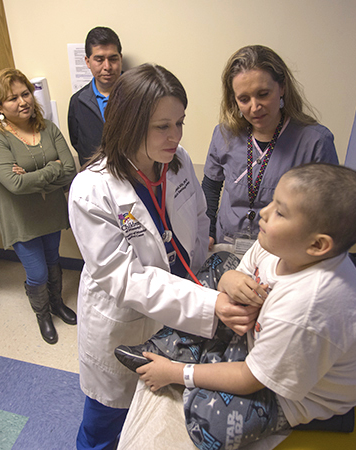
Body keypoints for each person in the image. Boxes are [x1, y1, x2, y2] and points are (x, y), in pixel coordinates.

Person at [117, 163, 356, 450]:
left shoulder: (308, 307)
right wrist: (230, 281)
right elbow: (239, 269)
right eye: (272, 203)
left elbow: (250, 379)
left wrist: (177, 374)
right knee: (218, 264)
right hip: (268, 331)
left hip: (300, 394)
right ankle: (208, 354)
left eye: (279, 212)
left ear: (317, 246)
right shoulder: (282, 244)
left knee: (208, 423)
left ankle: (197, 357)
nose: (263, 213)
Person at [68, 63, 238, 450]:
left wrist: (205, 271)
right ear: (128, 123)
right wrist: (210, 304)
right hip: (126, 323)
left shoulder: (176, 163)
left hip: (182, 309)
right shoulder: (92, 190)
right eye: (163, 126)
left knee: (153, 417)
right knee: (105, 422)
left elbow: (197, 215)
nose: (175, 136)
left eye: (179, 122)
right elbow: (124, 278)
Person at [203, 45, 339, 253]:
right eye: (244, 99)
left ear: (282, 87)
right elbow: (211, 188)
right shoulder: (224, 135)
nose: (255, 107)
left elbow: (326, 211)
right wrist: (207, 230)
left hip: (282, 252)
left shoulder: (315, 142)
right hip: (227, 244)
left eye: (263, 94)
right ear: (234, 99)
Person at [0, 68, 77, 345]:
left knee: (53, 260)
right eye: (12, 98)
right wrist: (51, 170)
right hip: (21, 217)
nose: (23, 102)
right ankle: (43, 314)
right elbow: (15, 185)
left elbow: (70, 169)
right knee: (37, 272)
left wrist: (34, 176)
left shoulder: (47, 127)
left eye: (26, 94)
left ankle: (57, 304)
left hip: (50, 212)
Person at [68, 26, 123, 166]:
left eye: (113, 59)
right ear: (87, 61)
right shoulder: (78, 102)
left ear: (120, 59)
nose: (107, 67)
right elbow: (77, 142)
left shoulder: (138, 96)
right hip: (95, 178)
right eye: (99, 59)